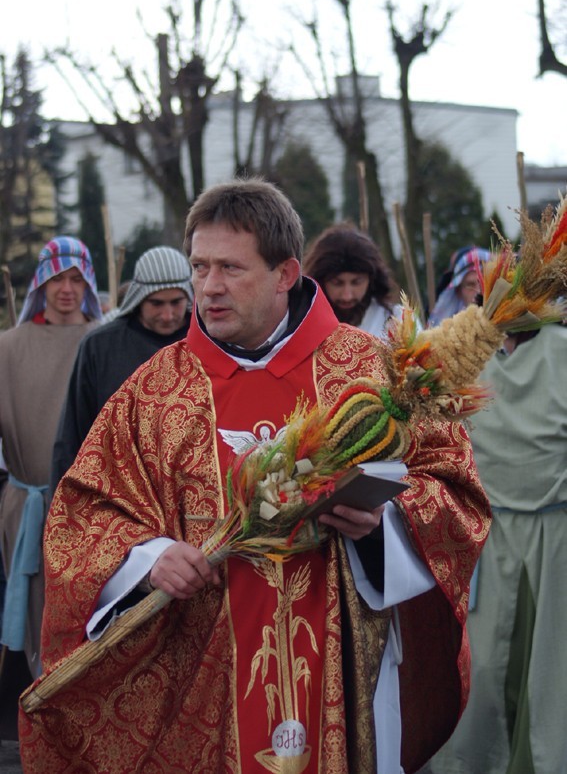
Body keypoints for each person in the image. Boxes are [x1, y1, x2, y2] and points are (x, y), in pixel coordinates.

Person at [19, 180, 489, 774]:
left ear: (285, 273)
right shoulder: (156, 390)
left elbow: (456, 490)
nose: (208, 287)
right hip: (200, 677)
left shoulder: (370, 371)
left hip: (346, 668)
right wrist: (146, 556)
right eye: (200, 266)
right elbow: (83, 514)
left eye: (230, 268)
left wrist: (381, 523)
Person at [426, 322, 567, 774]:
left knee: (547, 670)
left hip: (553, 532)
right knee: (483, 667)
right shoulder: (471, 351)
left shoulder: (556, 351)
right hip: (484, 530)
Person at [0, 236, 102, 684]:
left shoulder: (103, 341)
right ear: (41, 282)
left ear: (89, 284)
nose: (67, 288)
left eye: (76, 278)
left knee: (89, 618)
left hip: (92, 510)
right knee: (37, 624)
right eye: (57, 277)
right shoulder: (8, 348)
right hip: (26, 506)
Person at [51, 246, 193, 492]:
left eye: (176, 302)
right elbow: (73, 435)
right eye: (157, 303)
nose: (168, 314)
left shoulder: (206, 341)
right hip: (120, 495)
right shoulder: (100, 346)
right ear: (139, 298)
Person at [303, 221, 400, 337]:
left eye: (357, 282)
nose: (347, 295)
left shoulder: (398, 322)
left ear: (372, 280)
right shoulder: (302, 323)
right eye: (337, 283)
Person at [428, 247, 491, 326]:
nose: (479, 291)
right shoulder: (447, 332)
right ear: (458, 291)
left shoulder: (507, 328)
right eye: (470, 285)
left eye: (485, 283)